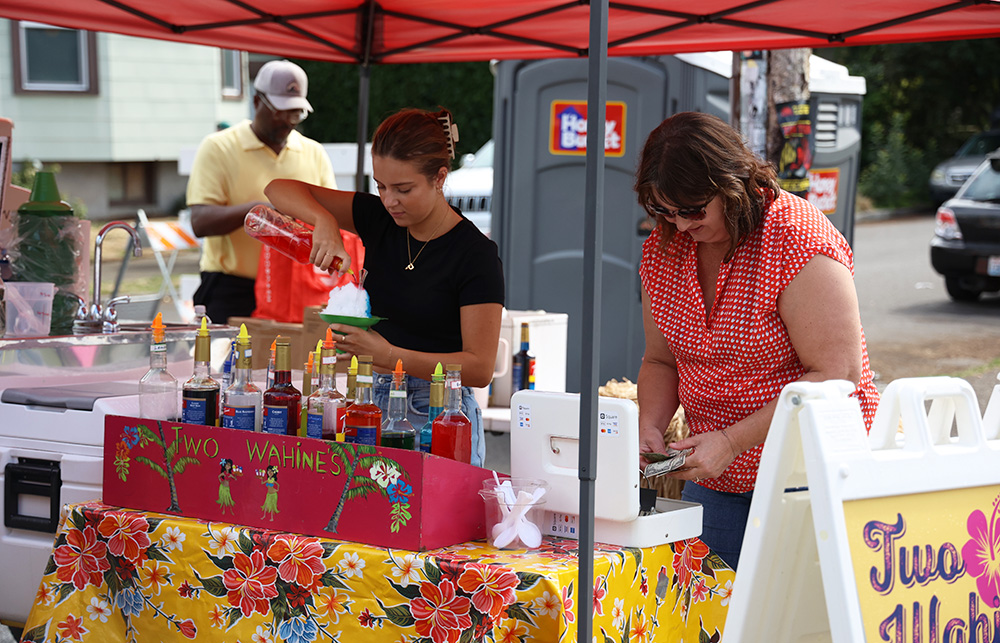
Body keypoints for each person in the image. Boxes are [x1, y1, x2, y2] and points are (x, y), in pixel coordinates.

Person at [634, 111, 879, 570]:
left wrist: (731, 441)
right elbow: (660, 361)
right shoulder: (663, 246)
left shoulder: (795, 237)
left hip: (810, 474)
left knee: (800, 624)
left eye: (692, 209)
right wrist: (651, 426)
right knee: (710, 616)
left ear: (732, 182)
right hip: (715, 476)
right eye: (665, 211)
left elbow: (836, 373)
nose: (681, 224)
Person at [264, 108, 504, 467]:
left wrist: (389, 355)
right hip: (373, 403)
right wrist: (324, 220)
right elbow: (277, 189)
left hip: (441, 411)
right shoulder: (379, 219)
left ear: (440, 178)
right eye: (380, 185)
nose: (390, 200)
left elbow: (479, 368)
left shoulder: (475, 255)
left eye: (404, 189)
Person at [186, 59, 357, 324]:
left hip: (295, 290)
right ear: (257, 102)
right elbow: (200, 221)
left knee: (297, 365)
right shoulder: (219, 148)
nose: (288, 121)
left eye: (296, 113)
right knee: (226, 363)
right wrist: (261, 213)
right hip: (234, 288)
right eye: (280, 111)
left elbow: (335, 221)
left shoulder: (313, 152)